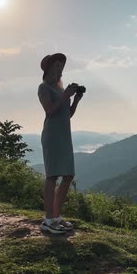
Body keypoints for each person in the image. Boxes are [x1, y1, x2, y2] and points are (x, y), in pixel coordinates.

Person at [37, 53, 84, 234]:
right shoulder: (44, 88)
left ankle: (56, 216)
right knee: (52, 176)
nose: (60, 69)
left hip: (64, 136)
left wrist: (76, 100)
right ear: (48, 68)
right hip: (52, 135)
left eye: (61, 66)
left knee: (68, 175)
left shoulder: (59, 89)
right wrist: (65, 95)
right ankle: (48, 220)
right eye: (56, 65)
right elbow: (49, 111)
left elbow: (67, 114)